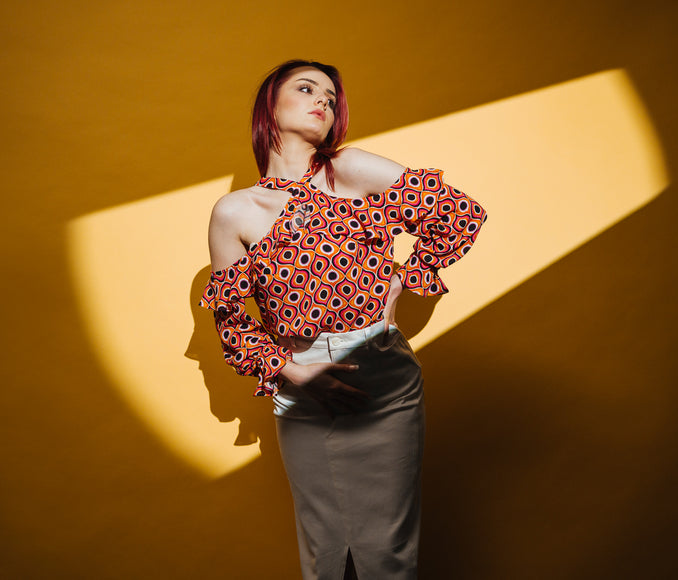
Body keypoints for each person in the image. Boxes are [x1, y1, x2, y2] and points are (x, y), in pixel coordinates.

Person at [200, 59, 486, 580]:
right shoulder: (233, 212)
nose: (323, 102)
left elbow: (458, 213)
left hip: (380, 373)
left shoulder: (348, 169)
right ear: (271, 104)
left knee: (386, 552)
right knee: (325, 552)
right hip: (302, 383)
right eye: (307, 89)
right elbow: (232, 323)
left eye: (331, 98)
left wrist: (407, 276)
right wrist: (291, 371)